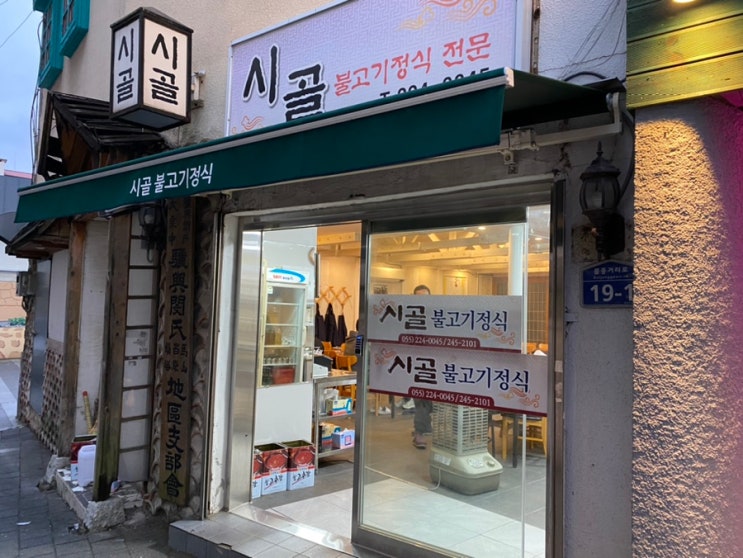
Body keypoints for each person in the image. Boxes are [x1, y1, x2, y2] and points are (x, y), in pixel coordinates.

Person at [411, 284, 433, 449]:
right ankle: (419, 433)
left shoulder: (435, 317)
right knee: (421, 401)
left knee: (430, 403)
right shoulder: (410, 318)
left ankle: (423, 428)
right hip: (416, 366)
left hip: (435, 364)